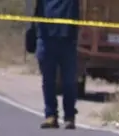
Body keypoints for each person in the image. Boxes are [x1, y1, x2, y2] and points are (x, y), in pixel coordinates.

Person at [31, 0, 81, 129]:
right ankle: (50, 115)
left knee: (69, 81)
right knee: (48, 80)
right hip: (46, 38)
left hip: (67, 38)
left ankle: (69, 117)